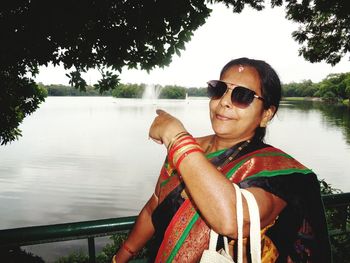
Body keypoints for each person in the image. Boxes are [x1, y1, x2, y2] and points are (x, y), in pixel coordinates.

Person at [112, 57, 331, 262]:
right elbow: (154, 207)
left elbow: (233, 220)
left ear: (266, 114)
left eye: (243, 96)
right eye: (219, 90)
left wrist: (176, 137)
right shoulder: (187, 150)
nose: (224, 101)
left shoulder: (279, 171)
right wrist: (120, 257)